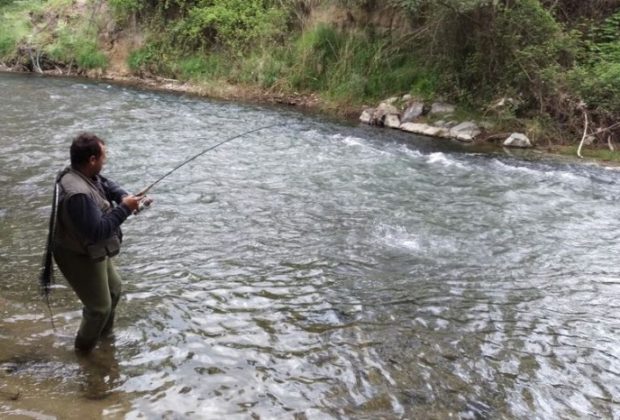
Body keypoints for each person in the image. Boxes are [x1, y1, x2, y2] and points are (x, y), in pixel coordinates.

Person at [53, 132, 145, 353]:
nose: (106, 160)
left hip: (88, 247)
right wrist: (126, 208)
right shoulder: (78, 196)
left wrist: (124, 196)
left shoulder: (82, 173)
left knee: (114, 289)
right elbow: (98, 231)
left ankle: (105, 341)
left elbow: (104, 183)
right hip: (76, 253)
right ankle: (83, 353)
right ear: (92, 160)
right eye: (104, 156)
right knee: (99, 308)